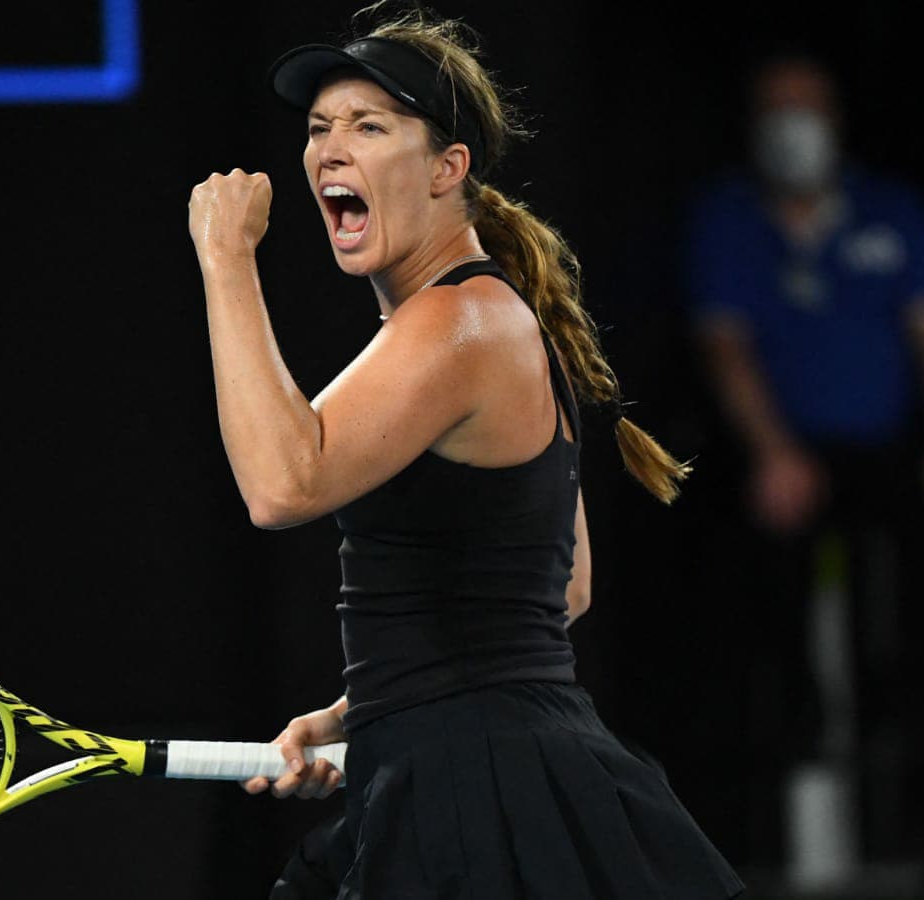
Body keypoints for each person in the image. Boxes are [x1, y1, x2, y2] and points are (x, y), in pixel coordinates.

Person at [185, 4, 743, 897]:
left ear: (449, 169)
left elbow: (282, 482)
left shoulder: (464, 321)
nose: (329, 148)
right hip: (486, 765)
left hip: (477, 792)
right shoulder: (481, 318)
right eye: (320, 127)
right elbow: (562, 585)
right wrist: (367, 710)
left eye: (370, 126)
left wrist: (225, 260)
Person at [684, 48, 924, 884]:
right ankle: (767, 822)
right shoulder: (728, 219)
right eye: (777, 109)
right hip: (781, 453)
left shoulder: (891, 211)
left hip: (888, 452)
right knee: (759, 587)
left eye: (809, 107)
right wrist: (773, 452)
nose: (795, 127)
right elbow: (727, 352)